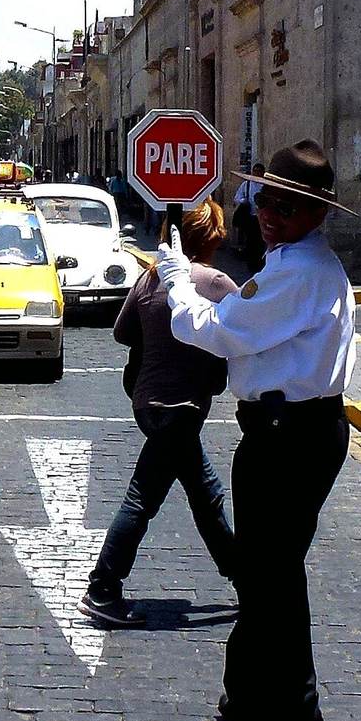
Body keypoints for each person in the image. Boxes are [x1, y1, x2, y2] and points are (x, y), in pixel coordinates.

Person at [156, 139, 356, 721]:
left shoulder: (298, 271)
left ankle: (270, 714)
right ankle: (287, 710)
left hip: (286, 435)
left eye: (290, 208)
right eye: (268, 201)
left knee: (266, 578)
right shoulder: (294, 263)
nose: (273, 215)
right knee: (275, 576)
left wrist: (174, 279)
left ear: (318, 213)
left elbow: (215, 331)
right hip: (294, 430)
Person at [79, 201, 238, 629]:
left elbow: (121, 331)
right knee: (142, 498)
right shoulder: (216, 283)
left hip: (148, 402)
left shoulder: (150, 277)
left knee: (205, 493)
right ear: (211, 238)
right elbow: (245, 334)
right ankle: (102, 587)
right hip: (182, 405)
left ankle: (243, 578)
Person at [231, 161, 265, 269]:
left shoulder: (266, 185)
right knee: (251, 240)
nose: (257, 174)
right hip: (250, 217)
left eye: (259, 172)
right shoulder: (247, 184)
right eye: (255, 171)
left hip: (262, 217)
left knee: (261, 241)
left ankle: (260, 262)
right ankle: (251, 263)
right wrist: (243, 201)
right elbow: (237, 198)